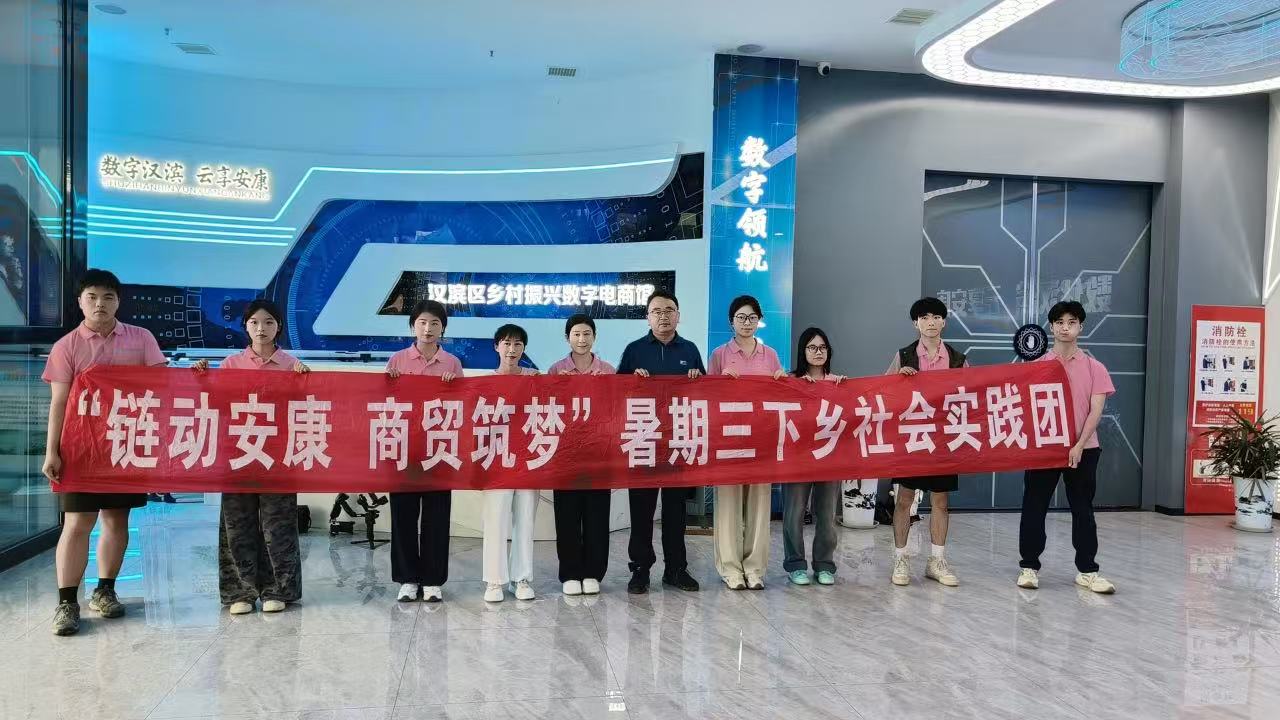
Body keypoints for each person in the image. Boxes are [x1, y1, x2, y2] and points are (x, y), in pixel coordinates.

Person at [42, 269, 168, 636]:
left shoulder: (141, 339)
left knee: (116, 519)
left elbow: (163, 387)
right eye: (93, 297)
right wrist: (52, 451)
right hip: (80, 447)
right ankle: (67, 602)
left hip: (124, 444)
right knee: (78, 522)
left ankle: (105, 591)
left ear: (118, 302)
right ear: (80, 302)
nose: (100, 304)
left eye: (108, 297)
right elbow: (59, 403)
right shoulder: (66, 346)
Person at [193, 300, 309, 615]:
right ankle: (239, 592)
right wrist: (202, 378)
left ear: (279, 327)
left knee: (278, 525)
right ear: (245, 326)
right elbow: (215, 405)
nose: (261, 328)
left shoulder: (292, 365)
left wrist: (305, 381)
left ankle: (278, 589)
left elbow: (305, 410)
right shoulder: (231, 365)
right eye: (255, 322)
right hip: (239, 455)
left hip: (278, 457)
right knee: (237, 524)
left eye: (269, 322)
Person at [1017, 300, 1117, 594]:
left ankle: (1087, 570)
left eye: (1071, 322)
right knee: (1034, 506)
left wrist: (1078, 445)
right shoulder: (1037, 367)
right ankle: (1029, 567)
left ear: (1080, 327)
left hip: (1085, 449)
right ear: (1051, 327)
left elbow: (1096, 411)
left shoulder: (1095, 367)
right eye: (1059, 322)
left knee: (1083, 509)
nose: (1065, 328)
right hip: (1045, 449)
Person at [617, 289, 704, 594]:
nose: (663, 316)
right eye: (657, 311)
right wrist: (632, 381)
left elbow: (706, 395)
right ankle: (640, 569)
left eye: (669, 310)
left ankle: (676, 569)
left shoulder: (690, 350)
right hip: (643, 440)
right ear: (647, 317)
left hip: (678, 440)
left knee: (675, 511)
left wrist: (697, 378)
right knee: (641, 510)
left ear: (678, 315)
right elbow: (615, 394)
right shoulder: (634, 350)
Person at [384, 299, 461, 603]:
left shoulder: (452, 363)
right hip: (404, 447)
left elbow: (463, 406)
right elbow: (383, 404)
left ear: (443, 329)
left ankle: (432, 580)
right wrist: (389, 385)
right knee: (403, 516)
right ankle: (407, 579)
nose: (428, 329)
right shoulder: (398, 360)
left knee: (437, 516)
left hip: (439, 448)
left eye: (435, 324)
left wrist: (454, 387)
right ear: (412, 326)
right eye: (422, 323)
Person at [886, 297, 965, 588]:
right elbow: (884, 393)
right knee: (904, 500)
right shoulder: (904, 355)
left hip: (944, 439)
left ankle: (937, 561)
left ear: (944, 321)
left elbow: (971, 395)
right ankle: (900, 559)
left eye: (936, 317)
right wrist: (900, 380)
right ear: (915, 323)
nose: (930, 322)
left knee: (941, 501)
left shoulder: (957, 359)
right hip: (913, 436)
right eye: (924, 318)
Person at [707, 295, 785, 590]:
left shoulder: (770, 355)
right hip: (729, 439)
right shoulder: (719, 355)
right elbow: (706, 397)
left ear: (759, 320)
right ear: (732, 322)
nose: (747, 323)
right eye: (741, 317)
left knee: (760, 505)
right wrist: (718, 381)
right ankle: (730, 569)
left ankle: (754, 569)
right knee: (728, 505)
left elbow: (779, 396)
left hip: (761, 439)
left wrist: (782, 381)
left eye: (752, 317)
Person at [547, 314, 615, 596]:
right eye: (576, 334)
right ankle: (570, 573)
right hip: (566, 454)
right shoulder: (556, 370)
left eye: (587, 334)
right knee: (567, 515)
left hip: (598, 454)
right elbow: (546, 411)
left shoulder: (608, 370)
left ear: (594, 337)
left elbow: (615, 412)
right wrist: (558, 386)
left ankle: (593, 572)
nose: (582, 339)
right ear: (567, 338)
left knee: (597, 515)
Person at [783, 327, 846, 587]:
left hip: (829, 457)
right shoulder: (790, 381)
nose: (818, 352)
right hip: (798, 458)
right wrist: (786, 384)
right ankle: (796, 565)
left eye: (822, 347)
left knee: (827, 513)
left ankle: (824, 565)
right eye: (812, 347)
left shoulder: (839, 383)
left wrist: (847, 390)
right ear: (803, 351)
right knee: (794, 512)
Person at [482, 324, 540, 602]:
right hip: (497, 459)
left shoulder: (534, 378)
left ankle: (521, 578)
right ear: (496, 347)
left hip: (528, 458)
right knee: (496, 519)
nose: (512, 349)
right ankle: (494, 581)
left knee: (525, 518)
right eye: (506, 343)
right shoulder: (485, 382)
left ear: (524, 348)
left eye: (518, 344)